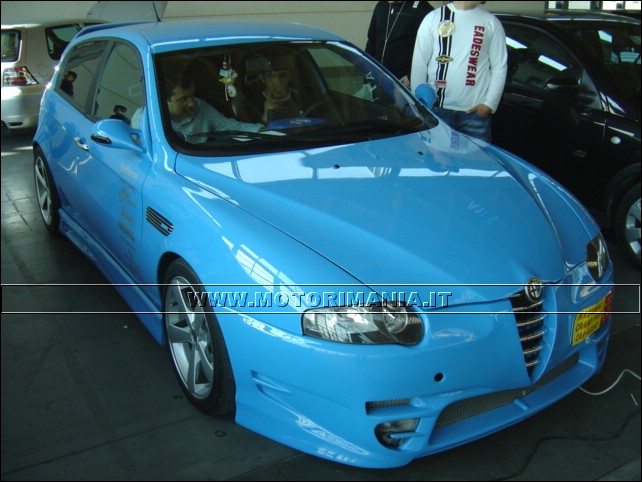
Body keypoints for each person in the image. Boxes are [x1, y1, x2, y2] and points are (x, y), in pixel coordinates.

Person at [410, 1, 507, 142]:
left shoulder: (491, 22)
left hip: (474, 115)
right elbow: (419, 62)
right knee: (436, 156)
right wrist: (419, 104)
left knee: (476, 157)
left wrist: (489, 105)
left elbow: (499, 66)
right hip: (436, 111)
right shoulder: (434, 18)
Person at [159, 65, 264, 143]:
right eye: (183, 99)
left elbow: (232, 127)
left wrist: (264, 131)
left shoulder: (200, 107)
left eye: (192, 95)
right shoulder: (152, 121)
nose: (192, 104)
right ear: (164, 99)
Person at [366, 1, 434, 87]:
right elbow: (371, 41)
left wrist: (410, 77)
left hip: (402, 83)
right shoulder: (381, 5)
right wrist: (366, 67)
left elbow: (430, 52)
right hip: (376, 78)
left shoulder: (423, 9)